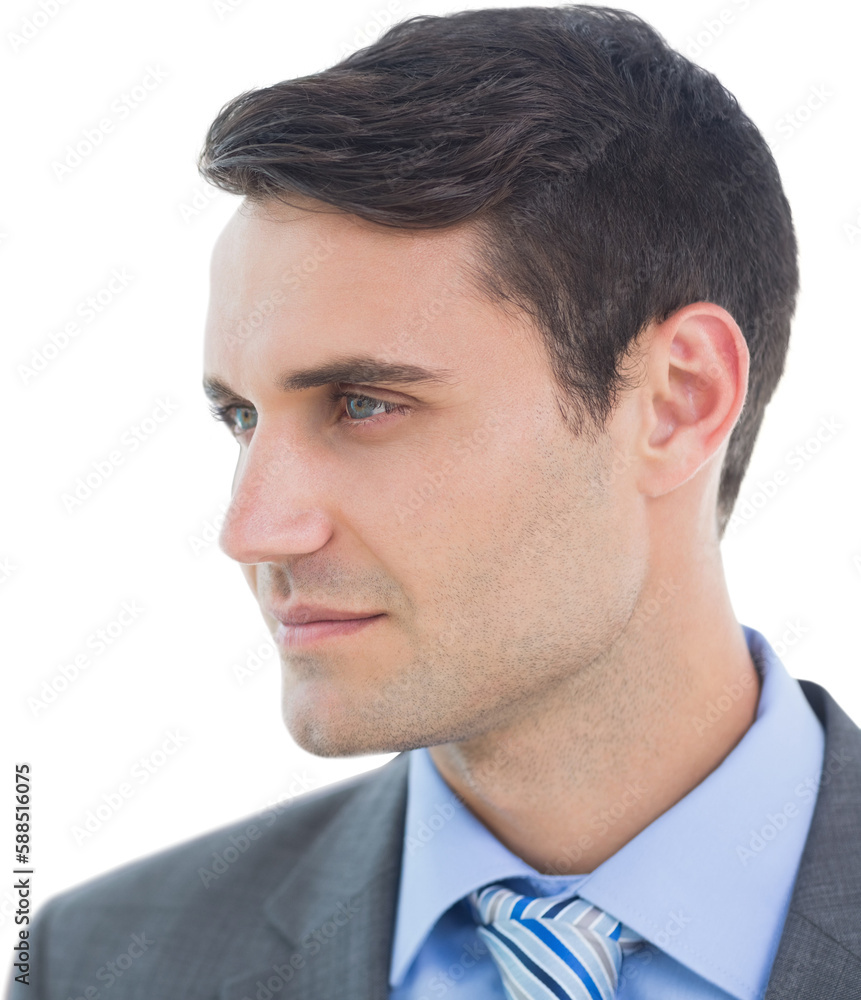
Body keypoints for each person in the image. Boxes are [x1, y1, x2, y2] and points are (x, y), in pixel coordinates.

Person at [11, 5, 861, 999]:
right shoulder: (102, 968)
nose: (253, 530)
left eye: (364, 404)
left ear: (677, 400)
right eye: (242, 417)